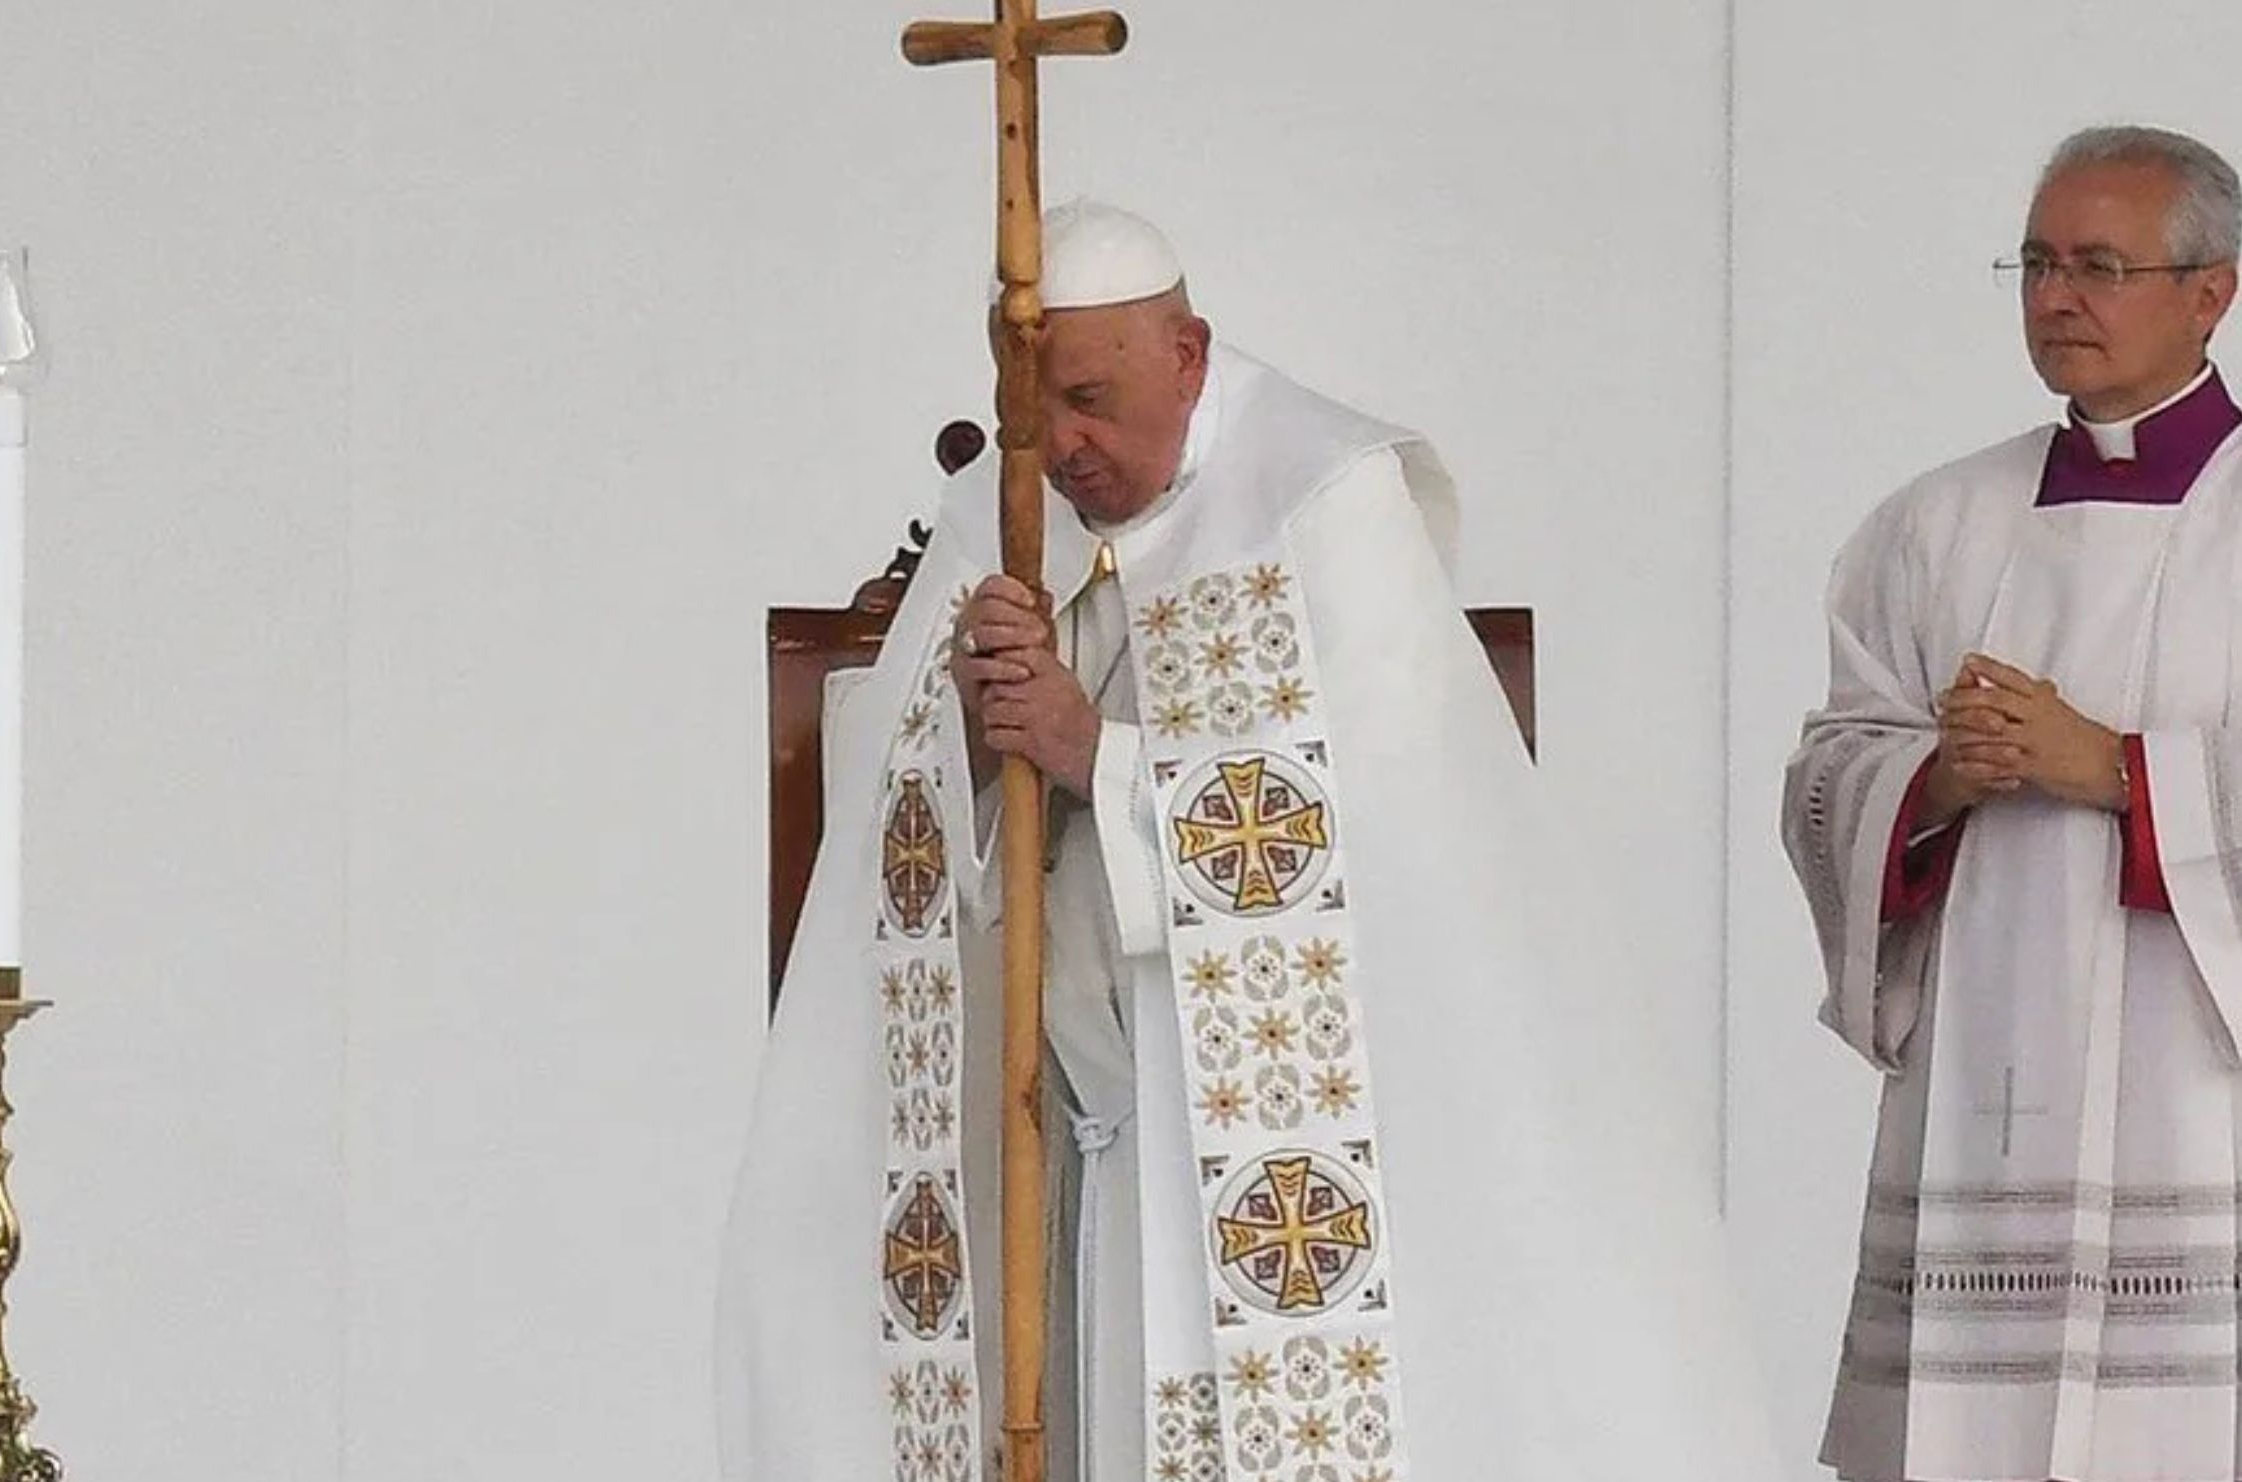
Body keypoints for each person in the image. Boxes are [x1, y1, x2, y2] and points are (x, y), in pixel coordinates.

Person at [721, 199, 1780, 1482]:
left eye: (1094, 402)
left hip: (1246, 1146)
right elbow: (899, 857)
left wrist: (1085, 753)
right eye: (1031, 410)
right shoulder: (994, 514)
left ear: (1190, 351)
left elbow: (1368, 845)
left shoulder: (1324, 502)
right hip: (1055, 1127)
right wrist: (959, 727)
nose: (1062, 448)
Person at [1785, 124, 2242, 1482]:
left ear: (2209, 289)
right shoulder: (1933, 523)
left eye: (2097, 265)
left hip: (2194, 1077)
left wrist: (2105, 766)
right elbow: (1827, 767)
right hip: (1985, 1067)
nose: (2055, 298)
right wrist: (1931, 778)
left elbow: (2107, 761)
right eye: (2035, 263)